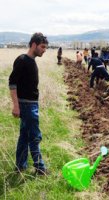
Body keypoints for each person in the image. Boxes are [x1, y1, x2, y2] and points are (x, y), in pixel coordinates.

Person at [8, 32, 48, 175]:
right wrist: (16, 105)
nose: (44, 50)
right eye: (42, 47)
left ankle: (20, 166)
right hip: (26, 105)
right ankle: (40, 168)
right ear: (33, 45)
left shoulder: (31, 61)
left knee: (25, 136)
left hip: (30, 104)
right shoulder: (22, 60)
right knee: (35, 136)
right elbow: (12, 83)